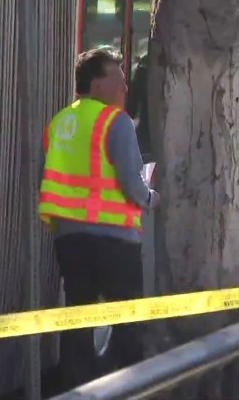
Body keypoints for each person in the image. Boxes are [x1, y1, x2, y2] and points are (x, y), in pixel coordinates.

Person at [38, 48, 159, 391]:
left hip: (69, 238)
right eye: (117, 78)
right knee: (127, 323)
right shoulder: (114, 121)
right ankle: (136, 388)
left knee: (78, 316)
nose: (124, 86)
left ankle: (75, 389)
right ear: (95, 84)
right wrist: (152, 199)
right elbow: (131, 183)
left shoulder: (59, 122)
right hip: (114, 238)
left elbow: (45, 177)